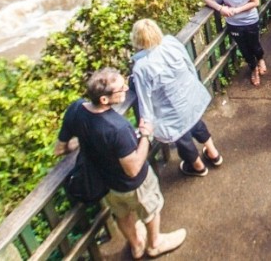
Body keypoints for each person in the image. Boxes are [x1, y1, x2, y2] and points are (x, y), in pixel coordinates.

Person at [56, 68, 186, 259]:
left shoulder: (76, 109)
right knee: (150, 210)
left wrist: (86, 139)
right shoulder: (117, 128)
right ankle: (154, 244)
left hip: (108, 185)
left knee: (122, 215)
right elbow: (133, 169)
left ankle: (135, 246)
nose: (126, 88)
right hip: (135, 186)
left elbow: (61, 148)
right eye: (120, 88)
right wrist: (146, 137)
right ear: (104, 100)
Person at [127, 19, 223, 178]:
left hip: (169, 109)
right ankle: (214, 154)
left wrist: (147, 124)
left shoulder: (141, 66)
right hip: (187, 95)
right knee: (196, 123)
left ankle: (198, 167)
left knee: (181, 136)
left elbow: (145, 99)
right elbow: (189, 65)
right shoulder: (171, 42)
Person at [203, 0, 265, 86]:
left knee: (255, 44)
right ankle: (253, 68)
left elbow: (255, 2)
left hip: (250, 20)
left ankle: (260, 59)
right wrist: (221, 8)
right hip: (234, 24)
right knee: (244, 48)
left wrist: (237, 10)